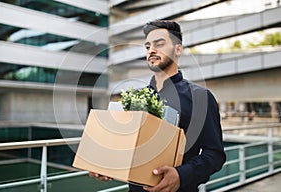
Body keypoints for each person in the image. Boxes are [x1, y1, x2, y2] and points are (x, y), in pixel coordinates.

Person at [90, 20, 226, 192]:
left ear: (178, 49)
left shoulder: (200, 97)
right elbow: (126, 147)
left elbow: (214, 154)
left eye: (159, 44)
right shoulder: (134, 99)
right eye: (147, 47)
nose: (151, 50)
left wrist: (180, 175)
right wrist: (106, 164)